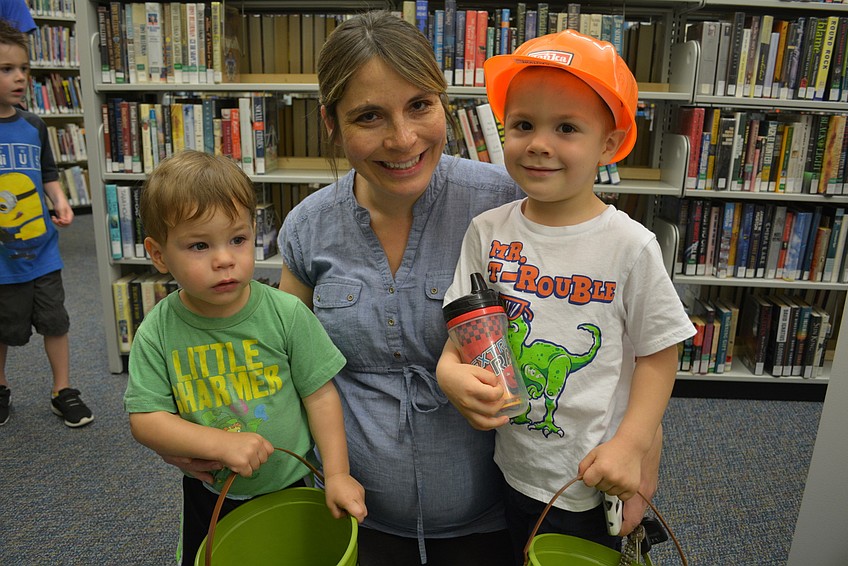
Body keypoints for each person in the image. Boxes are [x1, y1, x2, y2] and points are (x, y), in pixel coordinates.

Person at [436, 29, 696, 563]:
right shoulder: (487, 232)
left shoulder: (630, 246)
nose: (539, 143)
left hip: (594, 473)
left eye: (567, 128)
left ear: (608, 144)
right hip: (514, 462)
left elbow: (660, 352)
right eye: (524, 125)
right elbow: (465, 323)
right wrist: (447, 369)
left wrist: (633, 445)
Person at [276, 11, 526, 566]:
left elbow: (604, 319)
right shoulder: (307, 227)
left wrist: (643, 444)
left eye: (420, 105)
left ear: (444, 104)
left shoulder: (507, 204)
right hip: (355, 519)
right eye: (369, 116)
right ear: (332, 125)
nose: (403, 138)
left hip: (498, 517)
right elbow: (282, 361)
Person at [123, 150, 367, 565]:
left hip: (291, 481)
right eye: (199, 245)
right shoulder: (158, 330)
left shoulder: (286, 314)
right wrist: (218, 443)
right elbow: (146, 419)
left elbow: (321, 396)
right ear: (159, 254)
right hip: (209, 493)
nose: (224, 259)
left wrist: (339, 474)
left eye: (237, 239)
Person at [0, 18, 93, 428]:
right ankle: (1, 387)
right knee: (4, 328)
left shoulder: (34, 125)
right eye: (6, 70)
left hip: (43, 252)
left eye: (23, 69)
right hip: (3, 260)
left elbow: (49, 173)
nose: (19, 78)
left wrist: (61, 202)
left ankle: (63, 389)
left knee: (56, 321)